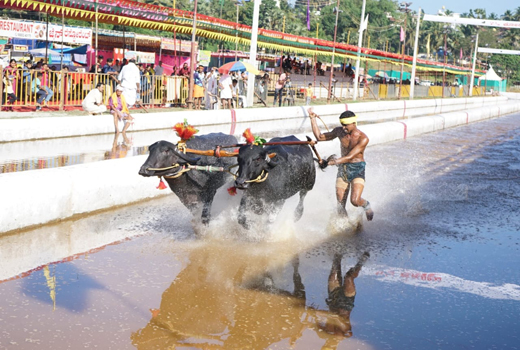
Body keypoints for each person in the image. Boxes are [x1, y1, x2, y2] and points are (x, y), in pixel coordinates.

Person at [308, 109, 374, 221]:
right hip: (343, 168)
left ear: (354, 123)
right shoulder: (339, 131)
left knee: (355, 201)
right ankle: (347, 226)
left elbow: (349, 157)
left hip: (357, 169)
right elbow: (320, 137)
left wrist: (328, 162)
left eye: (346, 125)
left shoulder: (363, 138)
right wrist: (313, 119)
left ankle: (366, 205)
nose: (343, 128)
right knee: (340, 205)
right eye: (342, 125)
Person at [320, 252, 369, 340]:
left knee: (334, 271)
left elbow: (317, 326)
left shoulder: (328, 331)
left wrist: (314, 318)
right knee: (348, 277)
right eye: (338, 335)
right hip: (347, 301)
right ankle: (362, 261)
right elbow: (339, 320)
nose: (335, 334)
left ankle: (339, 250)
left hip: (333, 299)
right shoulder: (346, 329)